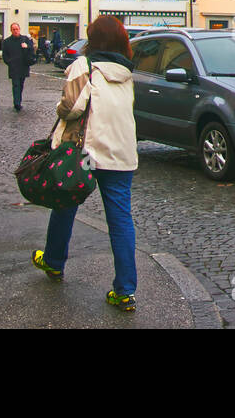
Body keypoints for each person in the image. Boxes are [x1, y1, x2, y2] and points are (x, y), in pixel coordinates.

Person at [31, 15, 138, 311]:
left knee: (65, 203)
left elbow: (71, 107)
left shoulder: (85, 65)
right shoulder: (127, 73)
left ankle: (53, 261)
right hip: (122, 155)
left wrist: (58, 106)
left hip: (87, 154)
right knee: (120, 220)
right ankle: (125, 290)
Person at [0, 22, 35, 112]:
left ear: (19, 29)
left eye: (17, 29)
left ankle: (18, 101)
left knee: (21, 84)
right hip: (14, 67)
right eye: (13, 29)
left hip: (23, 66)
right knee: (16, 85)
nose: (15, 31)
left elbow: (32, 50)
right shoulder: (7, 41)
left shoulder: (25, 39)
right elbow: (5, 55)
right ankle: (17, 103)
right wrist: (10, 63)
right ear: (11, 30)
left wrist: (27, 47)